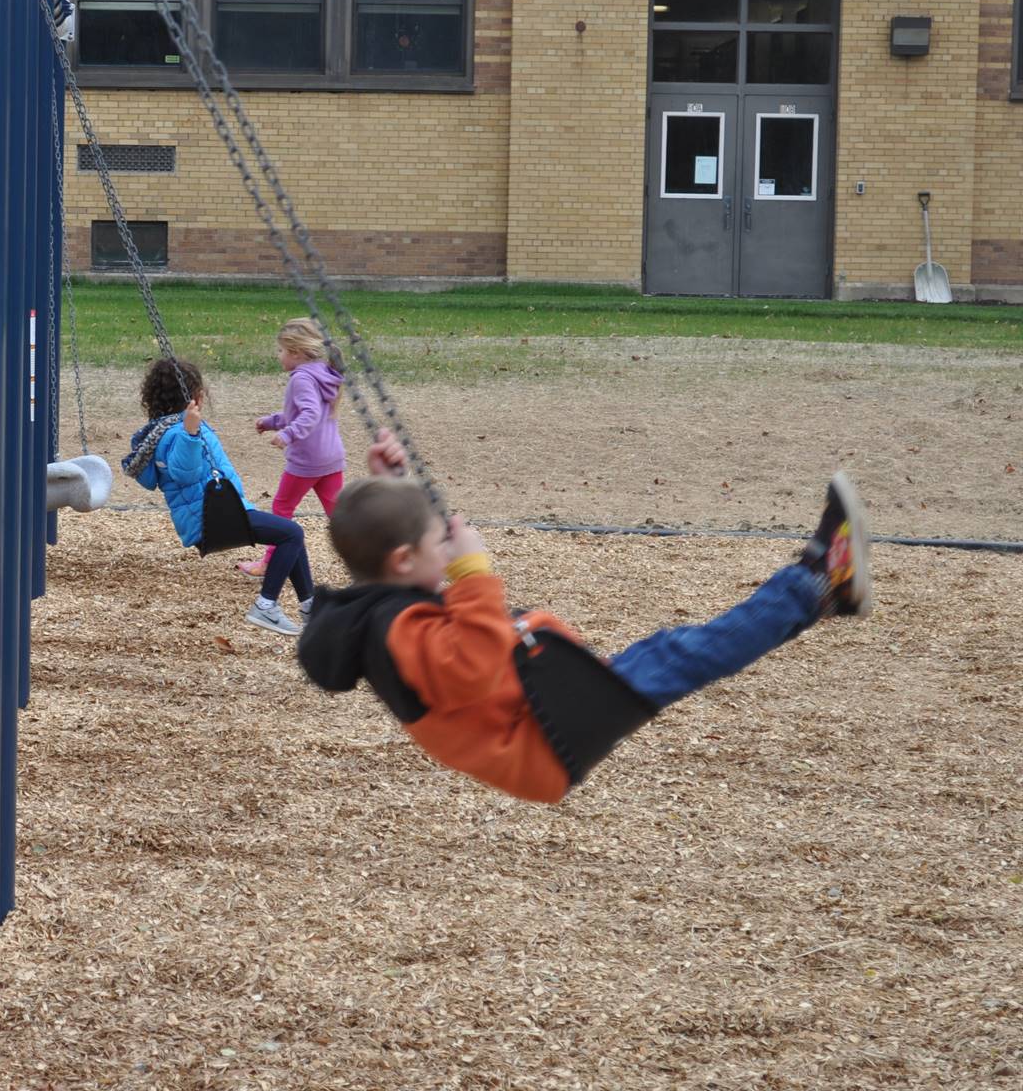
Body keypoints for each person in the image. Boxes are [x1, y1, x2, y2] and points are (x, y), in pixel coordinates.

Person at [298, 434, 874, 803]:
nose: (445, 547)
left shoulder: (375, 604)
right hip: (545, 738)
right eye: (436, 544)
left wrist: (391, 487)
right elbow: (471, 666)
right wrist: (471, 571)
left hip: (540, 712)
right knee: (686, 654)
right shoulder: (396, 629)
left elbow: (392, 561)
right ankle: (816, 582)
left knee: (673, 649)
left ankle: (826, 593)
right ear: (402, 560)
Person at [124, 357, 316, 636]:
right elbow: (185, 474)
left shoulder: (159, 432)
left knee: (288, 535)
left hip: (213, 516)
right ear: (196, 397)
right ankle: (266, 605)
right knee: (291, 534)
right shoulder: (180, 432)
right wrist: (191, 433)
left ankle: (310, 607)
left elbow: (157, 478)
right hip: (213, 518)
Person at [242, 316, 346, 580]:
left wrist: (288, 434)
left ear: (296, 352)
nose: (278, 356)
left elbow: (308, 414)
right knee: (339, 516)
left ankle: (268, 563)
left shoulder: (300, 378)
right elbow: (300, 411)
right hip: (331, 458)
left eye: (280, 350)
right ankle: (367, 562)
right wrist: (271, 422)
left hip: (307, 461)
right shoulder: (323, 373)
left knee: (281, 510)